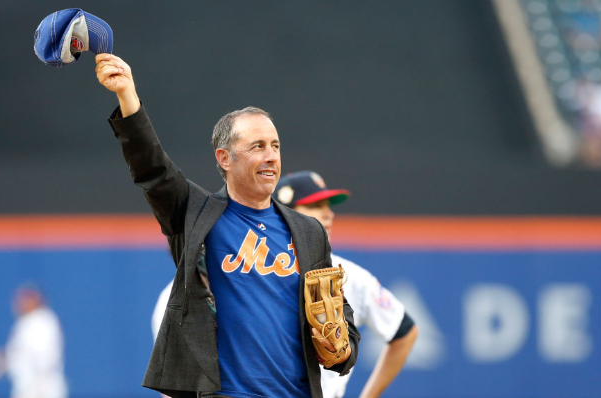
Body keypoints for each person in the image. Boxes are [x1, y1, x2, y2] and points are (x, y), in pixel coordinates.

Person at [94, 53, 359, 398]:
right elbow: (153, 170)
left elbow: (340, 311)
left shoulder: (308, 231)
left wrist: (344, 349)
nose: (271, 156)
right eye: (257, 146)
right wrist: (127, 95)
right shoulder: (195, 213)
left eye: (276, 146)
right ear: (224, 158)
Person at [274, 171, 418, 398]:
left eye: (328, 205)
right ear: (284, 214)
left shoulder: (348, 275)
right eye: (314, 205)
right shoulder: (252, 271)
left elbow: (405, 332)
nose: (328, 213)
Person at [0, 283, 68, 398]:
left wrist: (12, 358)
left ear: (36, 300)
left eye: (26, 299)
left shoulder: (43, 320)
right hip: (27, 388)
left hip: (42, 387)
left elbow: (42, 358)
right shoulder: (24, 323)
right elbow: (21, 354)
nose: (21, 303)